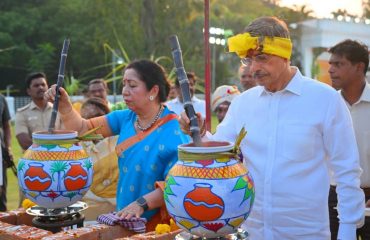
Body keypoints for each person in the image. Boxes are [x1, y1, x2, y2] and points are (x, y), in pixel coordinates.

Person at [179, 16, 364, 239]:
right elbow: (219, 153)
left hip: (306, 233)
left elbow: (347, 171)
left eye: (262, 58)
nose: (254, 68)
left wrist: (348, 230)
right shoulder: (244, 103)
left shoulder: (325, 100)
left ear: (284, 54)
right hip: (252, 231)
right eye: (248, 60)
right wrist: (197, 131)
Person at [44, 59, 189, 231]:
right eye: (124, 84)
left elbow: (177, 183)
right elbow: (83, 129)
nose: (125, 92)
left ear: (153, 91)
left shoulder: (174, 131)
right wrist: (65, 107)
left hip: (158, 226)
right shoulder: (126, 118)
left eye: (132, 85)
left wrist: (141, 204)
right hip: (125, 218)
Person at [327, 39, 370, 240]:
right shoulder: (326, 105)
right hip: (333, 197)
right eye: (330, 64)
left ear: (359, 67)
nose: (331, 70)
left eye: (338, 64)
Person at [79, 97, 118, 220]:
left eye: (97, 117)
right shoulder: (77, 148)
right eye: (86, 119)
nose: (92, 123)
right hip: (87, 213)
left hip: (119, 209)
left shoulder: (119, 142)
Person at [15, 72, 63, 151]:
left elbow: (66, 136)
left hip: (58, 159)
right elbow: (24, 142)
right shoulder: (22, 113)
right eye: (36, 85)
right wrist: (47, 150)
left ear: (48, 87)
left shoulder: (58, 110)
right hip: (34, 160)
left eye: (43, 84)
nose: (40, 87)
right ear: (28, 91)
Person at [0, 93, 12, 212]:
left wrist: (8, 148)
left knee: (1, 193)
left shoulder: (1, 99)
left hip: (0, 152)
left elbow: (6, 126)